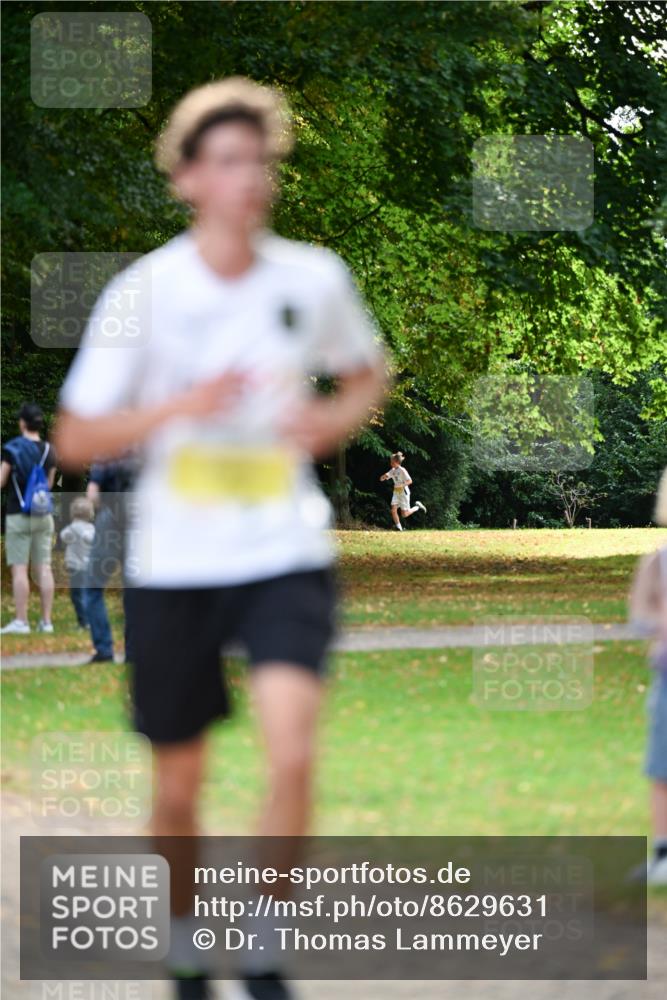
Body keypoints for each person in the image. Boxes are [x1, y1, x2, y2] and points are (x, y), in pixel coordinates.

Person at [54, 76, 387, 1000]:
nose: (251, 179)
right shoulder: (145, 291)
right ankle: (187, 937)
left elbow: (366, 373)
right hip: (179, 560)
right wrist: (180, 407)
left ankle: (266, 944)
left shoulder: (312, 278)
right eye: (230, 161)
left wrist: (327, 423)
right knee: (178, 787)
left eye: (263, 161)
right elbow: (77, 435)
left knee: (292, 749)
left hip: (284, 547)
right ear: (188, 178)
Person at [629, 466, 667, 886]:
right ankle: (663, 853)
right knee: (662, 768)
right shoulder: (657, 562)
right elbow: (640, 615)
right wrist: (659, 622)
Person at [1, 402, 57, 634]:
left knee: (20, 569)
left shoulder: (12, 448)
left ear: (22, 423)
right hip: (43, 514)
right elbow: (50, 483)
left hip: (18, 513)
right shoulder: (49, 450)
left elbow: (1, 481)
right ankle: (46, 622)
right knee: (44, 567)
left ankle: (22, 621)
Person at [84, 457, 138, 664]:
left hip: (111, 521)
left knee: (92, 587)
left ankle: (104, 648)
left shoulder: (108, 451)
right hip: (140, 524)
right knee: (134, 590)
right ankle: (132, 653)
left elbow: (92, 494)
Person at [59, 495, 95, 628]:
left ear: (73, 513)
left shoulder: (72, 528)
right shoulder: (91, 528)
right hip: (88, 567)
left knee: (77, 596)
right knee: (86, 593)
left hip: (75, 567)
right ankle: (88, 620)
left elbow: (63, 537)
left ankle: (84, 622)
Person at [379, 450, 426, 530]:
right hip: (396, 493)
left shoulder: (402, 470)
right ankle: (399, 529)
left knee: (404, 514)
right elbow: (385, 476)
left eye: (392, 462)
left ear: (397, 462)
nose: (391, 463)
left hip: (404, 492)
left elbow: (410, 481)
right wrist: (383, 477)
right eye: (391, 462)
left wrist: (402, 485)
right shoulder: (392, 470)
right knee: (393, 510)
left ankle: (417, 507)